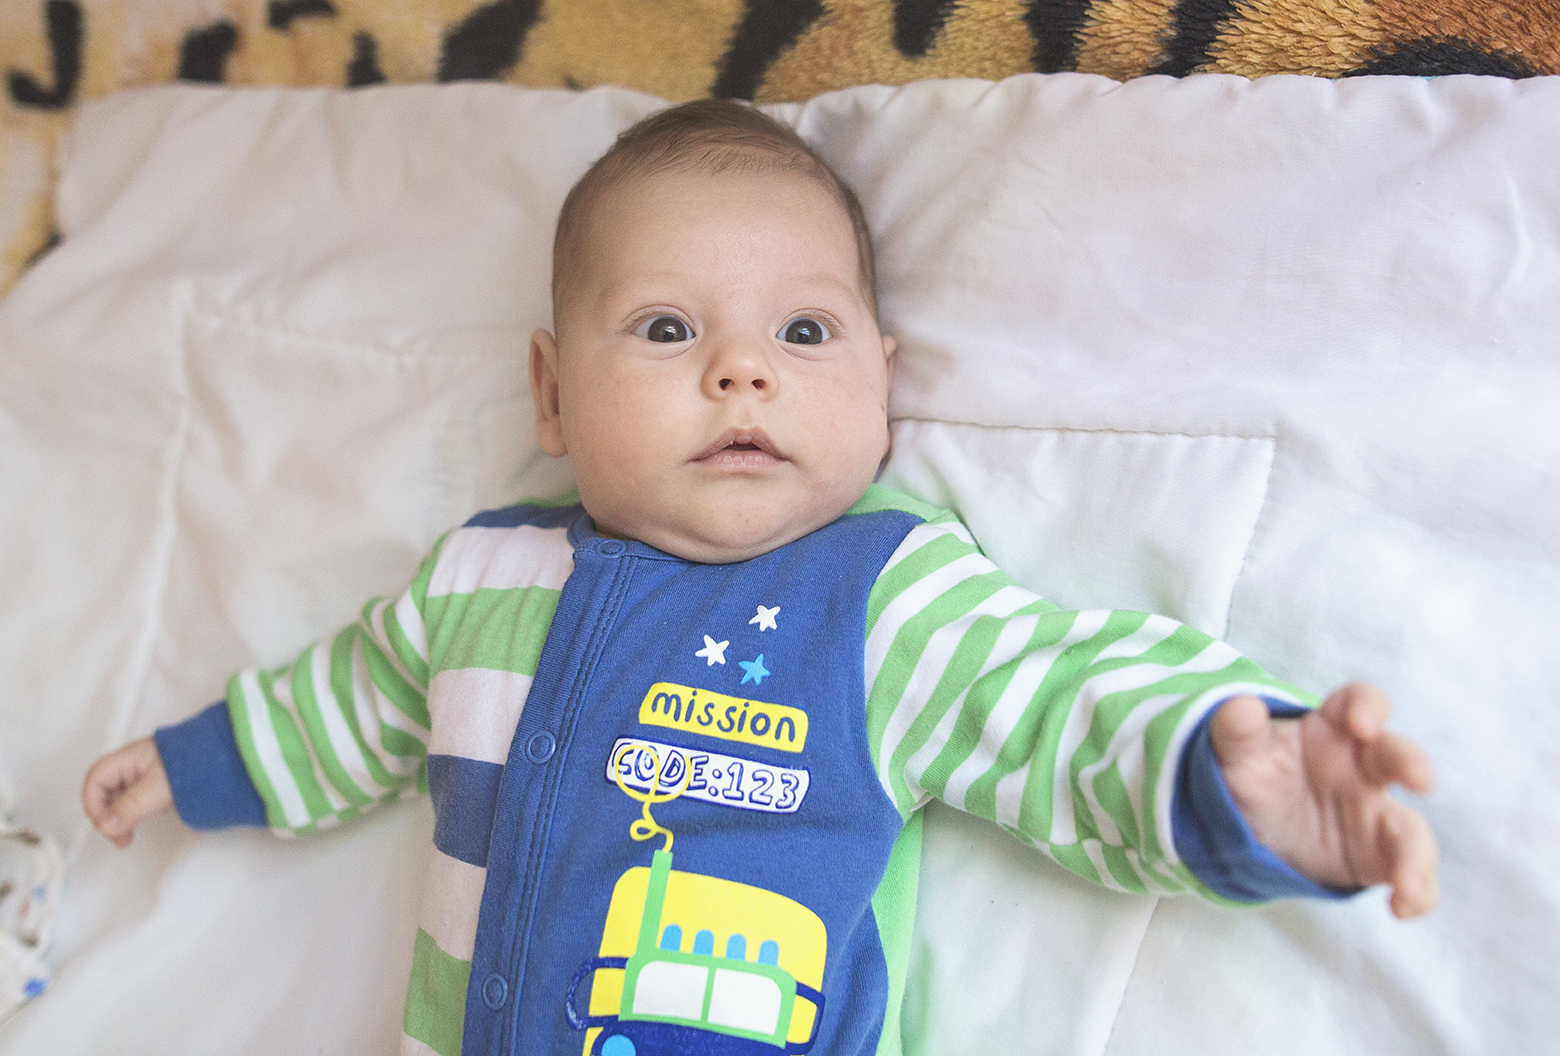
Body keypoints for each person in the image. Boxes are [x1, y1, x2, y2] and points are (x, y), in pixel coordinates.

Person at [82, 99, 1437, 1056]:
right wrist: (202, 762)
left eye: (803, 331)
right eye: (668, 327)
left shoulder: (883, 601)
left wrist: (1235, 778)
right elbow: (353, 701)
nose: (742, 370)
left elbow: (1058, 709)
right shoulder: (478, 578)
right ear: (551, 394)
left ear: (881, 390)